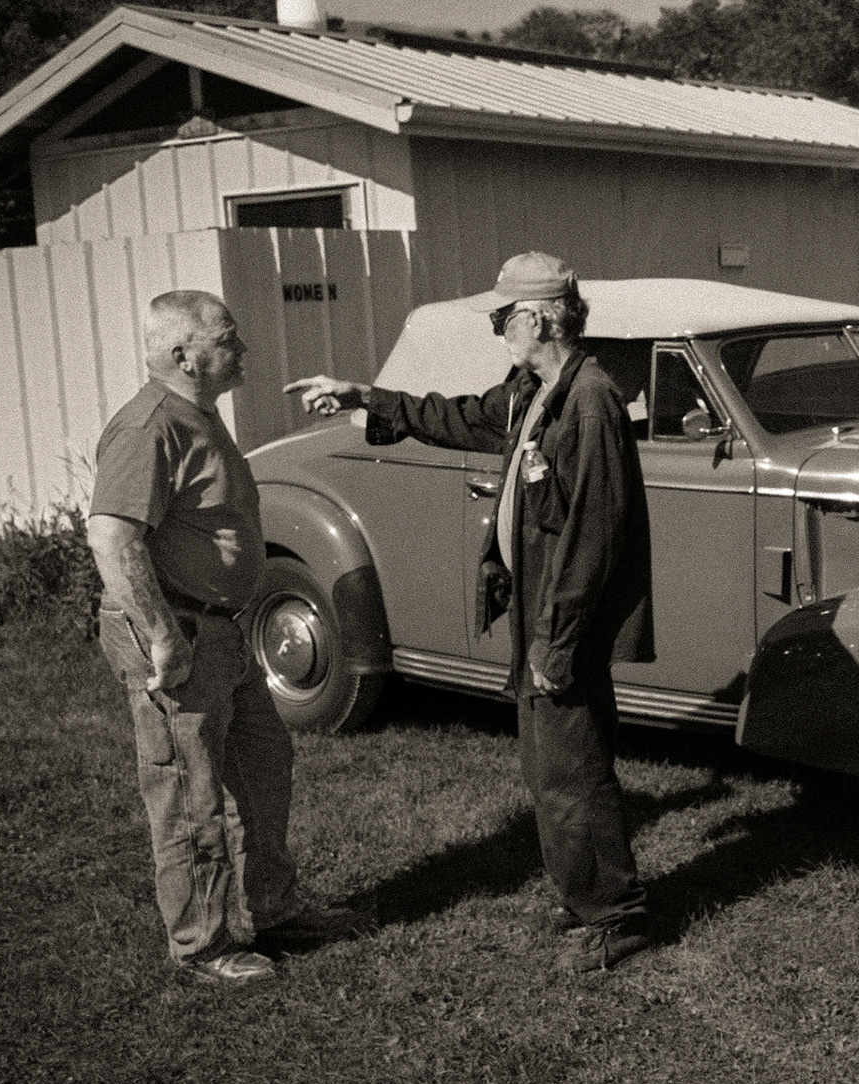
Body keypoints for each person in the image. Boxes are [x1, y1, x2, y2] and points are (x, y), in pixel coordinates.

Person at [284, 251, 657, 974]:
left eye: (501, 318)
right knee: (549, 767)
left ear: (539, 318)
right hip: (540, 614)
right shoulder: (534, 390)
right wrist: (364, 396)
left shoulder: (590, 401)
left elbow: (595, 539)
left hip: (560, 621)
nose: (496, 332)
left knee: (573, 769)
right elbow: (460, 418)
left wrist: (558, 642)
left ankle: (617, 916)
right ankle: (583, 897)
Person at [89, 290, 358, 984]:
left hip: (222, 632)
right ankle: (202, 945)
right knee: (189, 794)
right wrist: (162, 638)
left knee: (262, 776)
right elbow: (113, 538)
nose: (243, 350)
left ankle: (274, 912)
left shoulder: (198, 416)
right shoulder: (149, 428)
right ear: (185, 355)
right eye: (228, 339)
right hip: (177, 634)